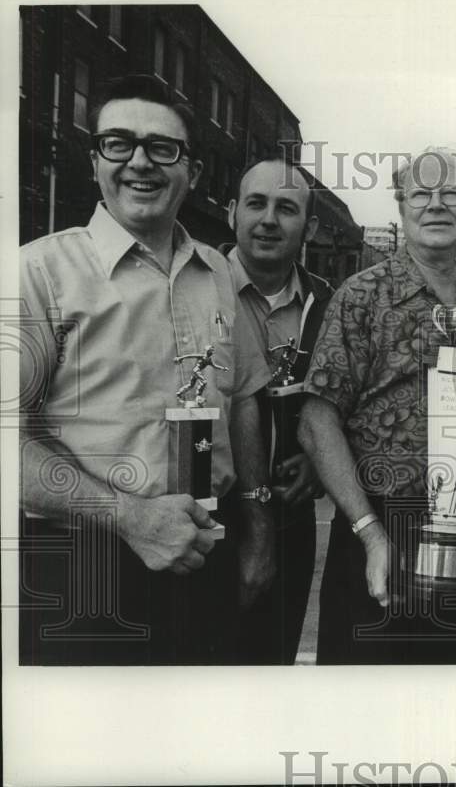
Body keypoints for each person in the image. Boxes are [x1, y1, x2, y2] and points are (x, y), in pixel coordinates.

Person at [19, 74, 275, 665]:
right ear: (94, 160)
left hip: (208, 554)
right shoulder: (36, 274)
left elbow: (241, 401)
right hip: (85, 565)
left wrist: (258, 531)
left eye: (163, 148)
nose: (141, 163)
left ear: (192, 171)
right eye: (119, 143)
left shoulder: (216, 272)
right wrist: (131, 518)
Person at [299, 147, 456, 664]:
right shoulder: (361, 297)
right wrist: (371, 535)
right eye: (421, 194)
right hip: (382, 529)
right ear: (402, 206)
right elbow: (317, 424)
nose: (436, 205)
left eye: (452, 194)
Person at [220, 154, 333, 664]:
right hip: (207, 516)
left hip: (290, 520)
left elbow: (349, 406)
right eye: (256, 204)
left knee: (268, 670)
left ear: (308, 226)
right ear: (231, 213)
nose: (268, 219)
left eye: (285, 208)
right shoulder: (189, 288)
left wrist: (321, 462)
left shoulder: (332, 306)